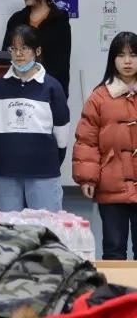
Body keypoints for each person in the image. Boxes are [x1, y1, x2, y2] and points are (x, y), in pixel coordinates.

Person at [0, 25, 69, 212]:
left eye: (24, 48)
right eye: (14, 48)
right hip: (6, 172)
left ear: (37, 51)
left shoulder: (52, 87)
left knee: (46, 226)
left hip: (44, 172)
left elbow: (62, 137)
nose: (18, 54)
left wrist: (47, 162)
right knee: (8, 227)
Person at [73, 31, 137, 259]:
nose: (127, 61)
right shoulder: (99, 97)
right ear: (112, 60)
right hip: (111, 185)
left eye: (133, 55)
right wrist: (88, 178)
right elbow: (87, 141)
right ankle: (114, 285)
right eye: (121, 55)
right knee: (113, 248)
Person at [2, 0, 72, 96]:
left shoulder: (59, 20)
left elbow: (61, 60)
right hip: (18, 85)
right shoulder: (17, 19)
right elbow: (6, 53)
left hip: (49, 86)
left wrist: (42, 81)